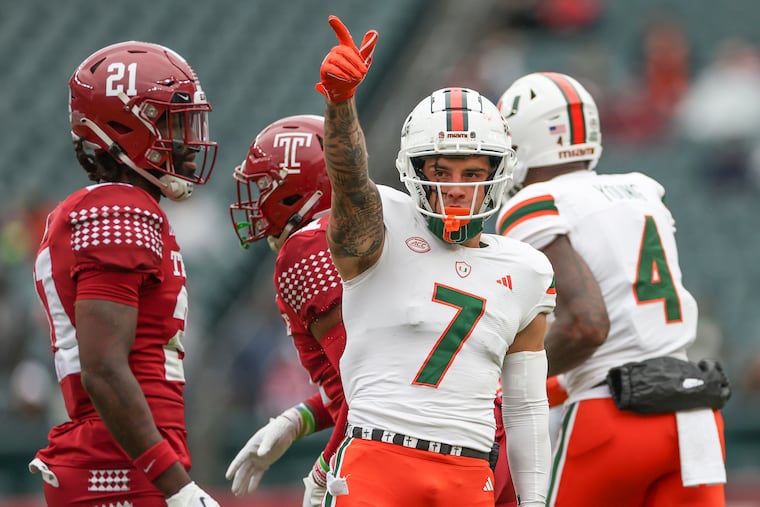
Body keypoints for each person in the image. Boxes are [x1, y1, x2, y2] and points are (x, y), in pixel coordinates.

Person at [313, 15, 556, 507]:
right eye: (441, 171)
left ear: (495, 174)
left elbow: (527, 407)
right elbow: (350, 179)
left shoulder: (527, 270)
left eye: (471, 172)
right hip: (376, 459)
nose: (455, 186)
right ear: (415, 172)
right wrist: (341, 107)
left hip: (468, 473)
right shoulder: (381, 228)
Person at [224, 115, 519, 507]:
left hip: (422, 449)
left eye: (266, 188)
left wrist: (326, 466)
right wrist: (300, 418)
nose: (259, 204)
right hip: (481, 436)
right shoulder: (404, 232)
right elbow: (398, 371)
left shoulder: (310, 246)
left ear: (301, 190)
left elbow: (376, 383)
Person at [496, 71, 728, 506]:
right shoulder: (641, 190)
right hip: (694, 414)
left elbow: (587, 327)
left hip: (613, 414)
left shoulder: (534, 203)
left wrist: (502, 381)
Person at [30, 41, 220, 507]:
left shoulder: (118, 209)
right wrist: (175, 487)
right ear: (124, 127)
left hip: (127, 462)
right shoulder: (119, 209)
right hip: (117, 468)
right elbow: (104, 370)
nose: (188, 141)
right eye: (173, 124)